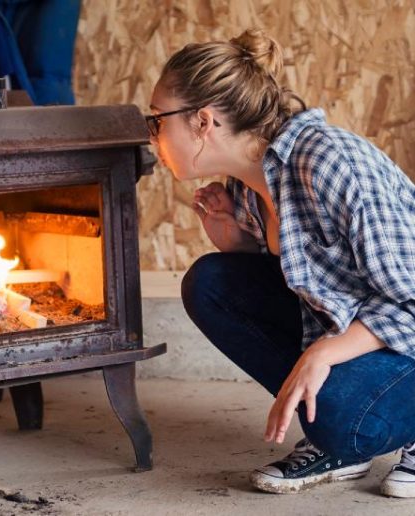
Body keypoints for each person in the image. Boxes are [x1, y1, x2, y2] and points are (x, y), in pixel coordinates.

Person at [146, 28, 415, 497]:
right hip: (360, 333)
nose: (153, 135)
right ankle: (338, 439)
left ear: (202, 122)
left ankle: (363, 433)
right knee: (209, 281)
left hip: (406, 335)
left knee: (343, 420)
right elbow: (315, 287)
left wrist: (323, 353)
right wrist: (238, 243)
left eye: (157, 120)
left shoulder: (330, 163)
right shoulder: (248, 184)